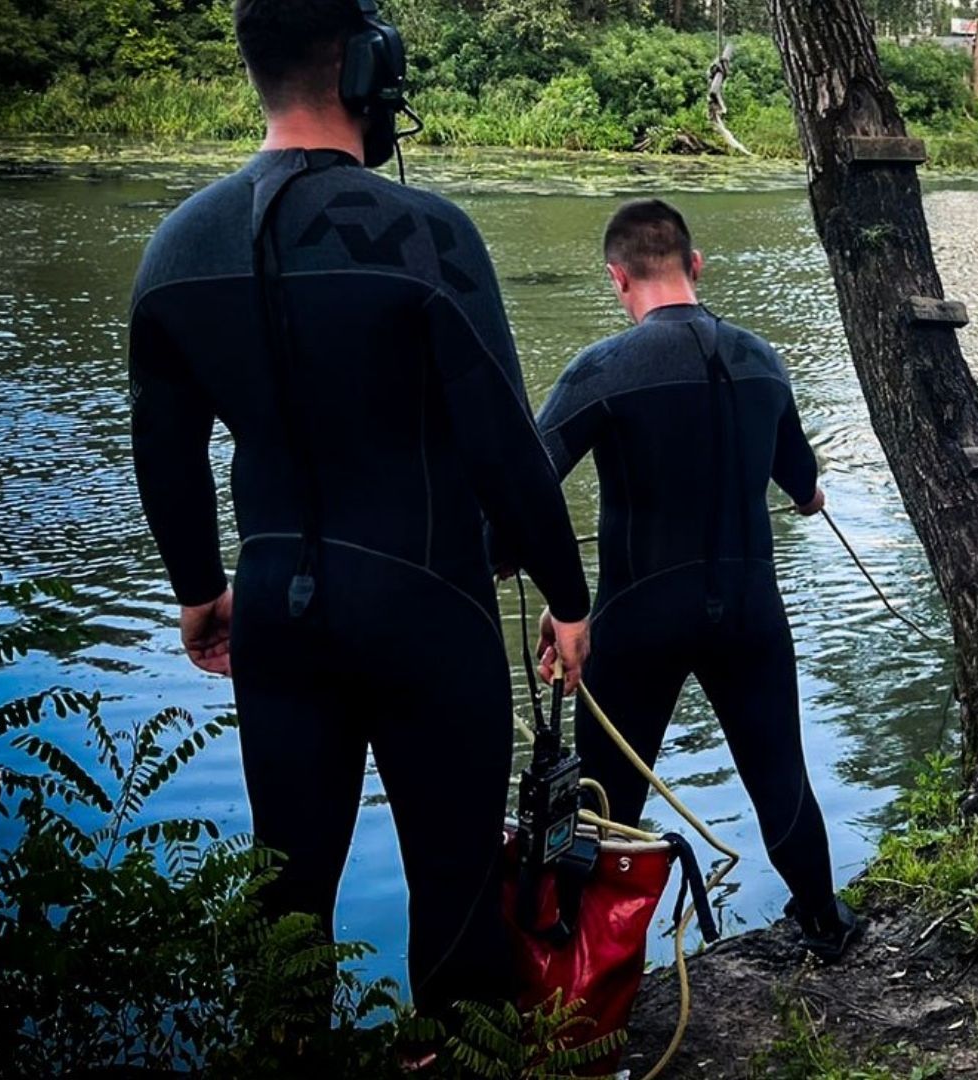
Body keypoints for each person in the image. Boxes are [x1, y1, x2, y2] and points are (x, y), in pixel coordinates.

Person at [127, 0, 591, 1018]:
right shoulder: (425, 233)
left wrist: (200, 591)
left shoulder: (176, 246)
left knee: (286, 898)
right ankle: (449, 1051)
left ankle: (289, 1050)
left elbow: (163, 449)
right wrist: (567, 597)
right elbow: (505, 447)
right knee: (457, 887)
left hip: (275, 612)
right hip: (429, 605)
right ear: (366, 68)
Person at [533, 199, 860, 963]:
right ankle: (825, 925)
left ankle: (583, 972)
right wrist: (808, 495)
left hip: (637, 615)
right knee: (779, 774)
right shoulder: (760, 358)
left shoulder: (603, 369)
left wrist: (553, 592)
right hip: (748, 612)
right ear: (696, 265)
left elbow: (529, 485)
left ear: (618, 278)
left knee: (605, 801)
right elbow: (801, 481)